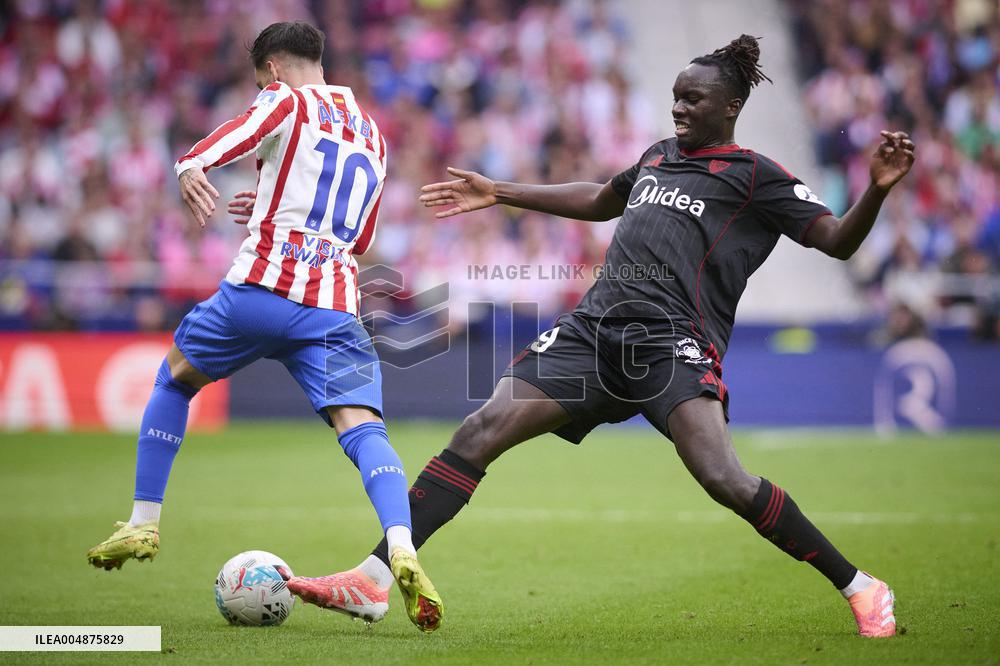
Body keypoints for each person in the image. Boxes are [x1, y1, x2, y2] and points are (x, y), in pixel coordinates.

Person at [286, 35, 913, 638]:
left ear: (731, 107)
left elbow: (835, 240)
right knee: (480, 431)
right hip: (591, 331)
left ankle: (860, 586)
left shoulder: (755, 175)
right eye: (675, 95)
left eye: (692, 99)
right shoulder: (658, 155)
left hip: (669, 341)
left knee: (724, 478)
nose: (678, 107)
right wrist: (500, 190)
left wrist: (875, 192)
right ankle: (372, 580)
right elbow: (600, 199)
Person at [85, 21, 443, 634]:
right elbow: (359, 240)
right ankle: (401, 542)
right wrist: (275, 200)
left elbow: (232, 135)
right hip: (333, 308)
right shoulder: (375, 137)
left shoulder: (285, 98)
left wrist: (189, 165)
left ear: (272, 70)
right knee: (364, 430)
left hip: (257, 293)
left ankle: (143, 519)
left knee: (173, 382)